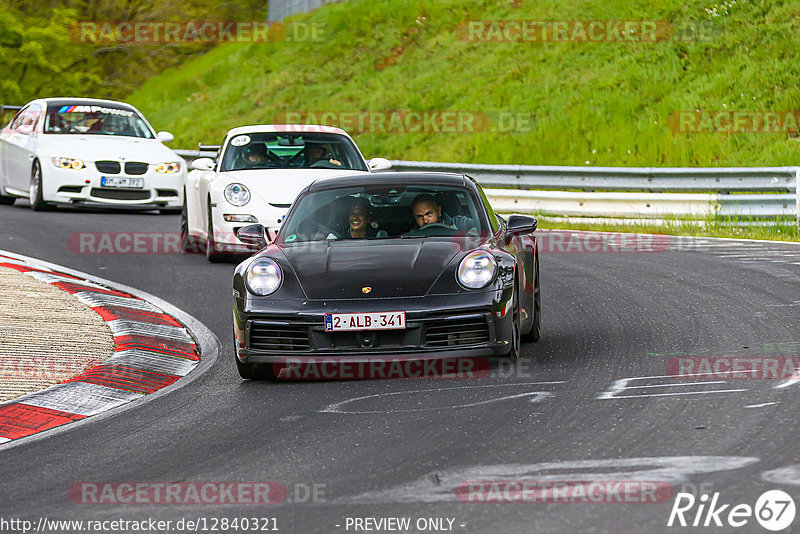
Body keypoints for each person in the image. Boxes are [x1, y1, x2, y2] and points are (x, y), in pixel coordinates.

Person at [408, 193, 476, 233]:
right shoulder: (413, 234)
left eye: (429, 214)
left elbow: (481, 229)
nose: (425, 220)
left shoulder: (458, 223)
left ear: (438, 211)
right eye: (420, 217)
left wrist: (466, 239)